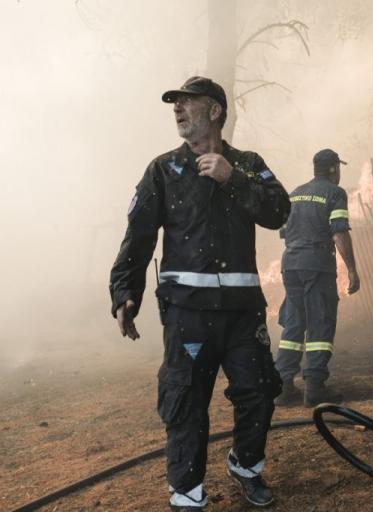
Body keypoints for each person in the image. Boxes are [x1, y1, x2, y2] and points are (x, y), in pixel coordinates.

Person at [109, 76, 291, 510]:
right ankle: (187, 493)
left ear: (214, 110)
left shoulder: (246, 163)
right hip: (187, 313)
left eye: (187, 102)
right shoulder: (163, 169)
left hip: (243, 313)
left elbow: (279, 210)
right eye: (175, 103)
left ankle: (246, 466)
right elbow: (139, 235)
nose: (178, 109)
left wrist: (234, 179)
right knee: (185, 401)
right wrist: (125, 291)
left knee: (259, 392)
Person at [273, 149, 360, 407]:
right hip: (317, 265)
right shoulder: (335, 193)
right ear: (334, 169)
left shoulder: (295, 193)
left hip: (290, 264)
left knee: (294, 322)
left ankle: (283, 386)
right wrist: (352, 269)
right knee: (320, 322)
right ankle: (314, 386)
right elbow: (339, 232)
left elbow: (283, 232)